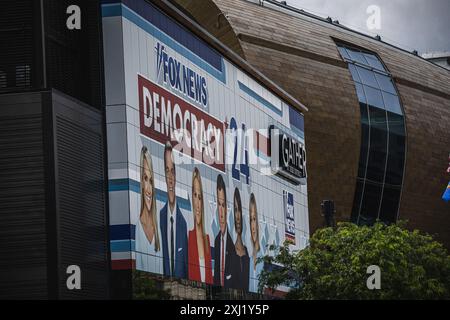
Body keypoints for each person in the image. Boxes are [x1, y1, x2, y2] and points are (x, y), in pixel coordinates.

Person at [160, 142, 188, 278]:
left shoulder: (183, 223)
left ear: (176, 175)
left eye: (172, 171)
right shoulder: (159, 217)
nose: (170, 178)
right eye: (167, 171)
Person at [135, 146, 162, 274]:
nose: (149, 189)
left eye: (151, 181)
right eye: (145, 179)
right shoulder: (137, 229)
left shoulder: (159, 232)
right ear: (140, 181)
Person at [188, 168, 213, 284]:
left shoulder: (207, 240)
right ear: (191, 198)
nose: (197, 204)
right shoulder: (188, 237)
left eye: (200, 197)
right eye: (195, 195)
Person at [213, 174, 235, 288]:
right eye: (219, 205)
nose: (221, 211)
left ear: (227, 208)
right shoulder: (216, 240)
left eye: (223, 205)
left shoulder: (233, 246)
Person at [230, 188, 249, 291]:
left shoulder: (248, 252)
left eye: (239, 210)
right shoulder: (230, 251)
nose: (237, 217)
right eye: (235, 210)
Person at [249, 193, 263, 293]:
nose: (253, 226)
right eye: (250, 220)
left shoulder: (263, 257)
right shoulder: (248, 259)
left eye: (254, 219)